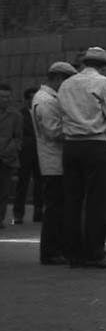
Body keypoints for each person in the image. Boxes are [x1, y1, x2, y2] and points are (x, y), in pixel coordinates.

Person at [57, 46, 106, 268]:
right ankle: (94, 252)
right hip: (95, 144)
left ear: (84, 62)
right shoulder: (104, 83)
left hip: (70, 145)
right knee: (97, 201)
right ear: (103, 65)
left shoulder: (67, 84)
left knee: (73, 200)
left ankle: (73, 252)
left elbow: (61, 112)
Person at [31, 61, 77, 264]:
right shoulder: (46, 101)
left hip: (56, 160)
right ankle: (51, 251)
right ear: (58, 78)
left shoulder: (50, 98)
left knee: (59, 208)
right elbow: (53, 131)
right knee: (54, 210)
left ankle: (59, 248)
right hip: (53, 162)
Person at [13, 87, 42, 224]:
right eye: (31, 98)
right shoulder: (20, 114)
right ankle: (18, 214)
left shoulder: (42, 112)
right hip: (25, 153)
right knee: (22, 184)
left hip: (40, 153)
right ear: (26, 100)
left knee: (40, 183)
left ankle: (38, 212)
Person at [0, 83, 22, 230]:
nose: (5, 99)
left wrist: (10, 149)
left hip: (7, 158)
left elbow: (18, 138)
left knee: (3, 191)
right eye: (2, 96)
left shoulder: (15, 115)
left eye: (7, 96)